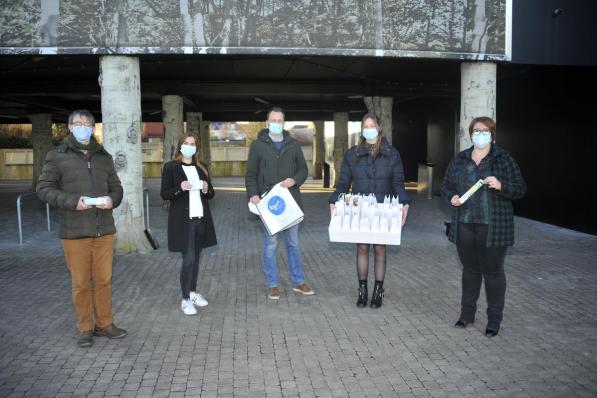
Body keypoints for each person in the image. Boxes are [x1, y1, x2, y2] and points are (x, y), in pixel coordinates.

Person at [36, 110, 126, 347]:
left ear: (94, 127)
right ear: (69, 127)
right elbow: (44, 189)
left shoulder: (103, 157)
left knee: (104, 281)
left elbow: (117, 188)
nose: (82, 127)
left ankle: (105, 324)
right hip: (74, 232)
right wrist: (73, 201)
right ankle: (85, 327)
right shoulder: (57, 156)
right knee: (81, 283)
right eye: (77, 123)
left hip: (104, 230)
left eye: (87, 123)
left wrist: (112, 199)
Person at [441, 116, 526, 337]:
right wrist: (452, 197)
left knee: (493, 273)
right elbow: (446, 186)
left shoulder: (503, 159)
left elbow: (520, 188)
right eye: (477, 131)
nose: (480, 134)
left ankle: (494, 321)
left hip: (493, 227)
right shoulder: (460, 159)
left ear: (492, 134)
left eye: (485, 131)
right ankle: (467, 315)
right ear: (471, 134)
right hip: (465, 225)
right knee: (470, 271)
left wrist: (501, 185)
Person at [328, 114, 410, 308]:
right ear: (362, 130)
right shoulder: (352, 154)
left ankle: (378, 290)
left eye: (372, 125)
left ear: (379, 128)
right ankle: (362, 289)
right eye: (366, 126)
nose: (369, 129)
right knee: (362, 247)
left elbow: (398, 182)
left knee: (380, 247)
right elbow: (343, 183)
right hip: (360, 209)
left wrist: (404, 202)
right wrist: (334, 201)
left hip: (383, 209)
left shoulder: (392, 154)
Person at [245, 107, 314, 300]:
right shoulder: (258, 145)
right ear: (267, 122)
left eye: (280, 120)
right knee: (270, 245)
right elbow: (250, 174)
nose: (276, 123)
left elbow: (303, 169)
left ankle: (298, 282)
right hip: (269, 204)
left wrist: (295, 180)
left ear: (284, 123)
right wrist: (253, 194)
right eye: (273, 120)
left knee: (293, 243)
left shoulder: (293, 145)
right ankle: (273, 285)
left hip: (291, 203)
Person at [160, 134, 217, 315]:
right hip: (183, 221)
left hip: (201, 219)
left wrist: (207, 189)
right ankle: (185, 299)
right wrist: (180, 188)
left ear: (196, 148)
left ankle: (192, 293)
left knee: (196, 260)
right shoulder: (171, 167)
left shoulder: (202, 167)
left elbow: (210, 194)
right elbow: (164, 193)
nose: (189, 146)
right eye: (186, 143)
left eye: (193, 144)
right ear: (180, 146)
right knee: (189, 259)